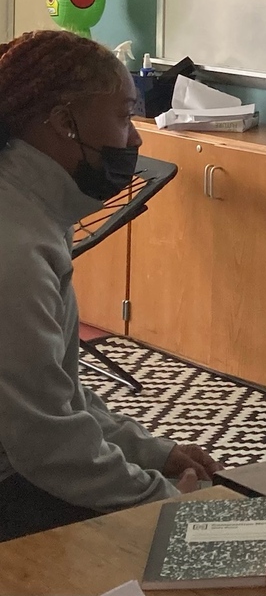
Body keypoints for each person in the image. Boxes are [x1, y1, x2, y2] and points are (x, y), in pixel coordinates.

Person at [0, 30, 220, 541]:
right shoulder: (16, 249)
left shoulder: (28, 210)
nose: (136, 138)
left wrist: (150, 451)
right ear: (63, 122)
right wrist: (163, 506)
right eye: (124, 117)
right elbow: (46, 442)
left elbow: (56, 389)